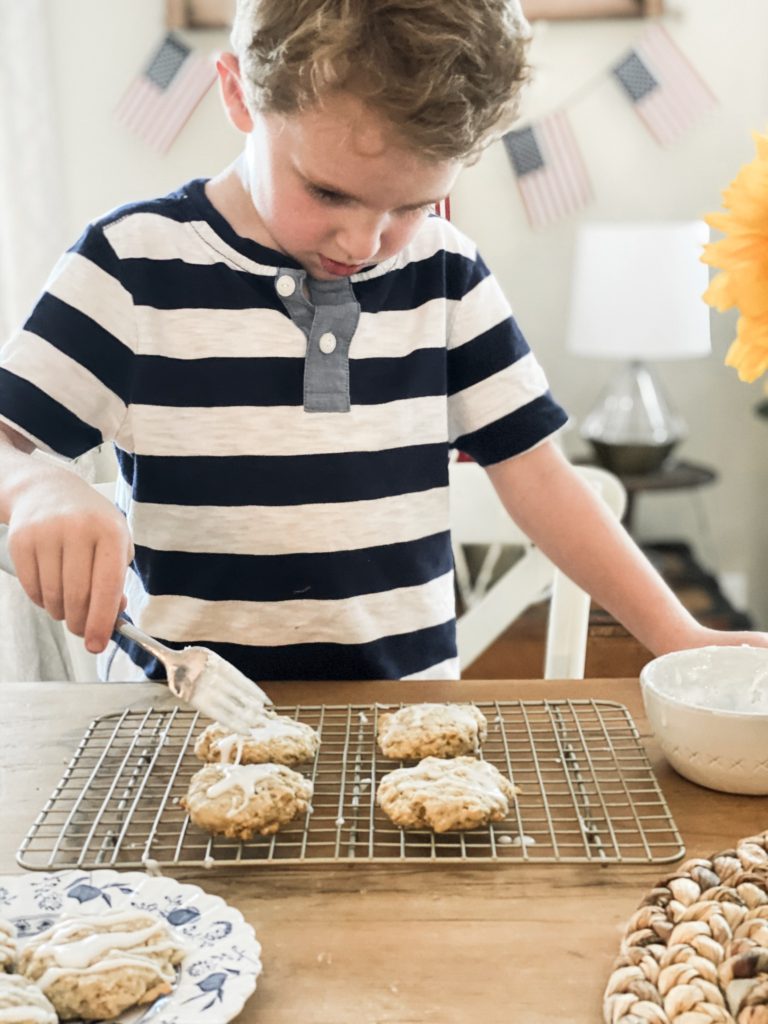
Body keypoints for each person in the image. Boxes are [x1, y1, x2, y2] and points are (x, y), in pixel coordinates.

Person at [0, 0, 765, 684]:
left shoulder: (445, 271)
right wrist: (37, 483)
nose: (363, 243)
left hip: (406, 729)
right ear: (237, 94)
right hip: (184, 735)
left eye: (413, 203)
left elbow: (538, 475)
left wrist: (677, 635)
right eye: (327, 191)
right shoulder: (132, 264)